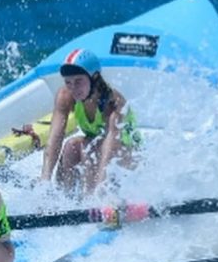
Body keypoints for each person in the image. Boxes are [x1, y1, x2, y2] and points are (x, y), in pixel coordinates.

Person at [39, 48, 142, 196]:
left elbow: (110, 147)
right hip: (98, 149)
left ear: (94, 78)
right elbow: (54, 140)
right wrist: (45, 180)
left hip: (129, 155)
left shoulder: (112, 102)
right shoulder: (65, 96)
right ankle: (62, 199)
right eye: (68, 82)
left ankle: (89, 200)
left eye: (78, 81)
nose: (73, 88)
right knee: (71, 146)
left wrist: (99, 191)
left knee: (89, 148)